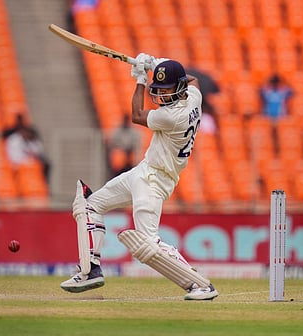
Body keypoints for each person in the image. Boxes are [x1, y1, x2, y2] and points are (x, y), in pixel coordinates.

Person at [60, 55, 219, 300]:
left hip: (155, 181)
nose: (162, 95)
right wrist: (158, 64)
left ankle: (200, 285)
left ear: (178, 88)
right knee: (89, 204)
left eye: (167, 90)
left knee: (147, 242)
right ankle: (90, 271)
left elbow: (136, 115)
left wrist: (140, 80)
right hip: (144, 171)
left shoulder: (171, 117)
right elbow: (194, 78)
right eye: (160, 89)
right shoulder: (194, 97)